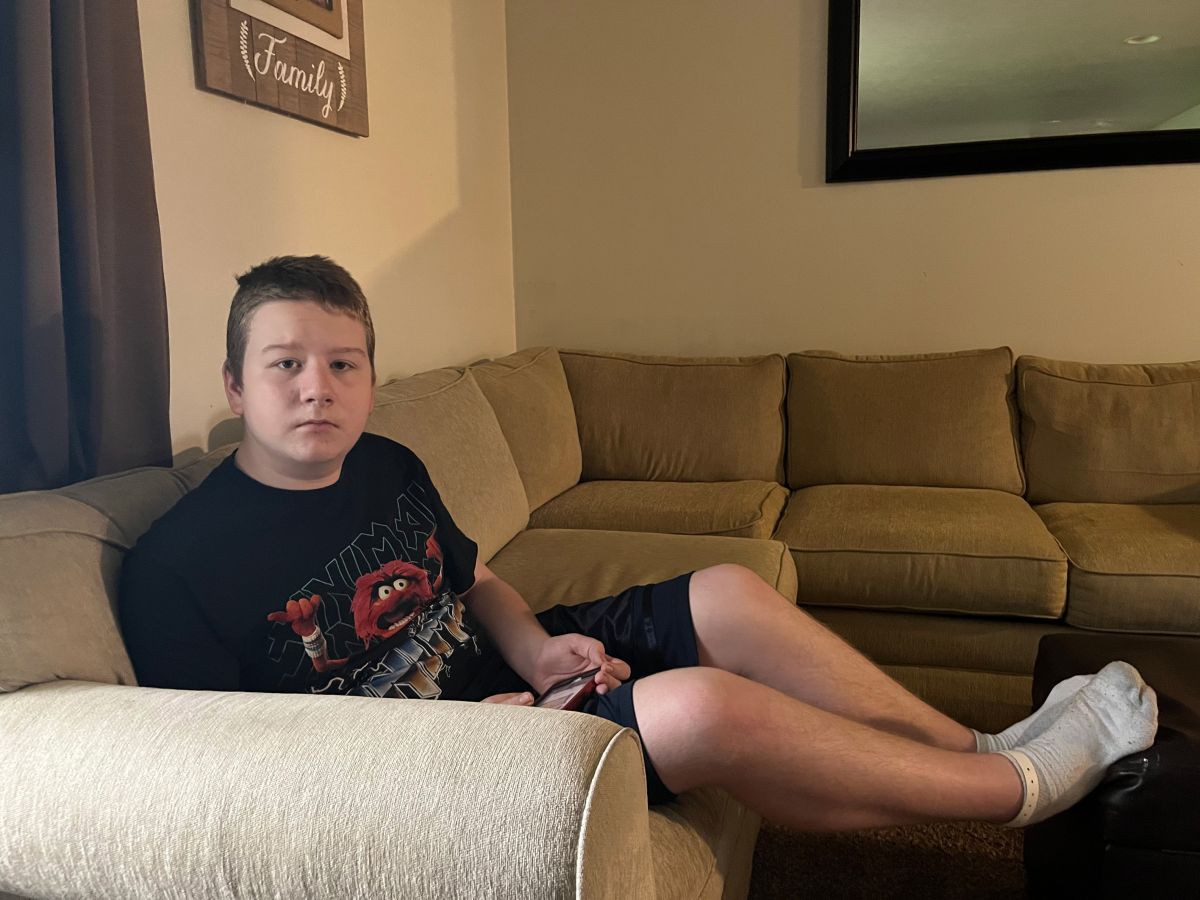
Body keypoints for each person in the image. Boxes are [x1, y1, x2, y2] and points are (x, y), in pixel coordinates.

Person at [119, 255, 1158, 830]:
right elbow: (237, 778)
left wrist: (535, 653)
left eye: (343, 364)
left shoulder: (387, 465)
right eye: (286, 365)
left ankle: (972, 745)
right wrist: (471, 736)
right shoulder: (178, 568)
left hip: (507, 690)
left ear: (370, 379)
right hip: (431, 772)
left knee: (727, 592)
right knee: (701, 705)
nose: (318, 389)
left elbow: (474, 578)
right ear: (233, 386)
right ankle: (1017, 791)